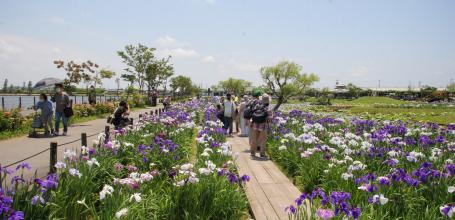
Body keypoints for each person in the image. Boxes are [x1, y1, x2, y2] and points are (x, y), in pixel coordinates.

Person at [250, 94, 273, 158]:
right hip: (263, 124)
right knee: (263, 139)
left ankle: (252, 152)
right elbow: (270, 118)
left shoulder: (257, 105)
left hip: (255, 123)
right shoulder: (268, 107)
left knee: (254, 138)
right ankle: (262, 153)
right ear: (268, 100)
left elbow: (253, 113)